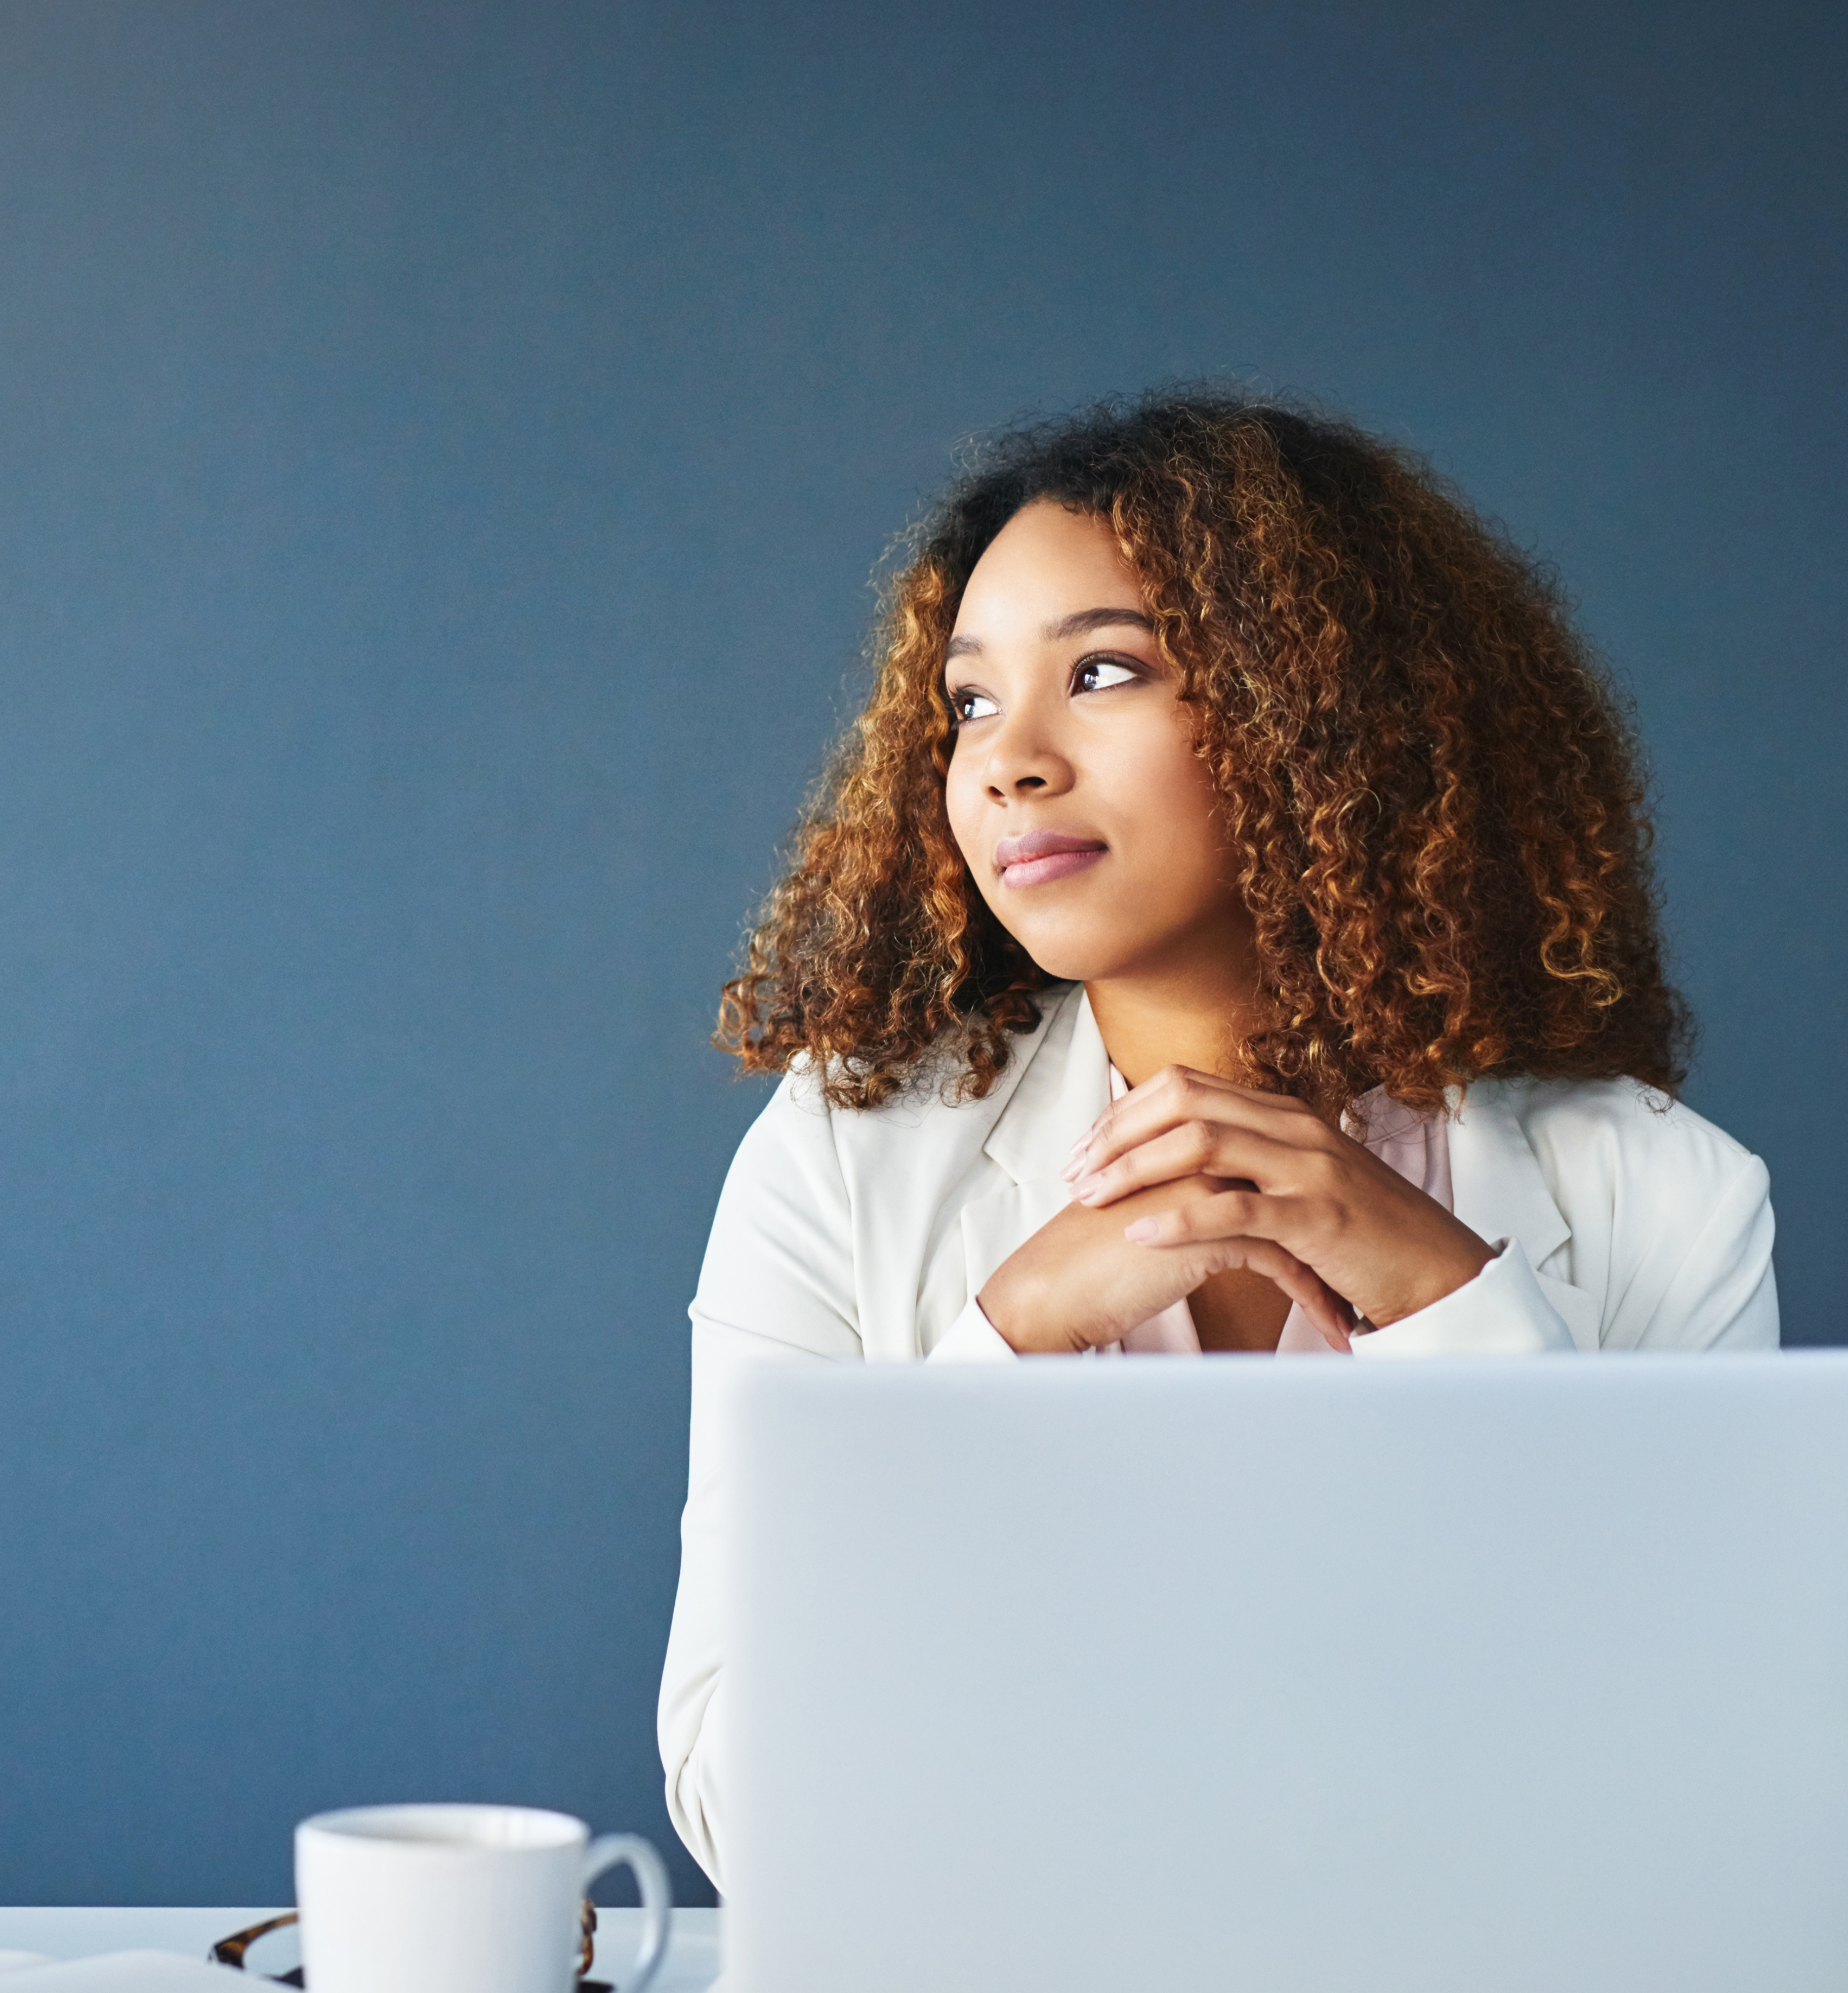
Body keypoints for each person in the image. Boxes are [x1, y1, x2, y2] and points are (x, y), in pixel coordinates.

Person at [655, 390, 1779, 1887]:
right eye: (969, 703)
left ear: (1327, 713)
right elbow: (754, 1825)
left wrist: (1453, 1299)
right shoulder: (838, 1158)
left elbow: (1708, 1812)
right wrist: (1005, 1349)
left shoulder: (1669, 1197)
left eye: (1103, 671)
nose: (1009, 762)